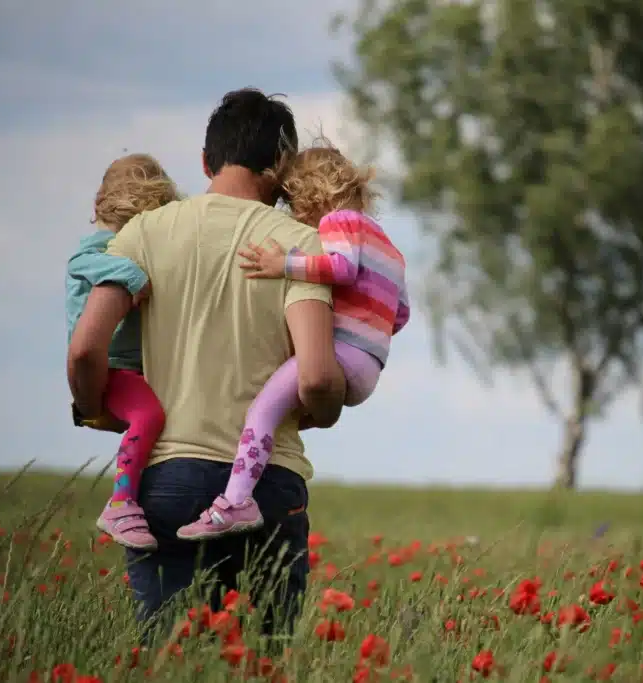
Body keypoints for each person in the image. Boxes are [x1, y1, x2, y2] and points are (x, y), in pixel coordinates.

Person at [67, 88, 346, 639]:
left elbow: (83, 348)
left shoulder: (141, 233)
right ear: (282, 168)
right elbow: (315, 376)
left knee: (169, 659)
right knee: (263, 660)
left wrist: (93, 405)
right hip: (268, 483)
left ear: (205, 161)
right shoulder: (299, 244)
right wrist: (328, 406)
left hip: (166, 479)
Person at [177, 144, 410, 540]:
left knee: (262, 410)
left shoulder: (339, 221)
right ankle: (253, 478)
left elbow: (340, 268)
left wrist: (281, 264)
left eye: (293, 203)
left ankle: (235, 502)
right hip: (370, 365)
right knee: (284, 411)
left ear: (311, 194)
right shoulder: (389, 247)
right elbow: (400, 314)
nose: (295, 215)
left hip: (342, 354)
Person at [66, 154, 177, 551]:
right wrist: (133, 275)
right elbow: (83, 263)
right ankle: (121, 502)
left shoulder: (121, 244)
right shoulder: (98, 249)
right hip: (112, 368)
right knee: (149, 415)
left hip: (132, 368)